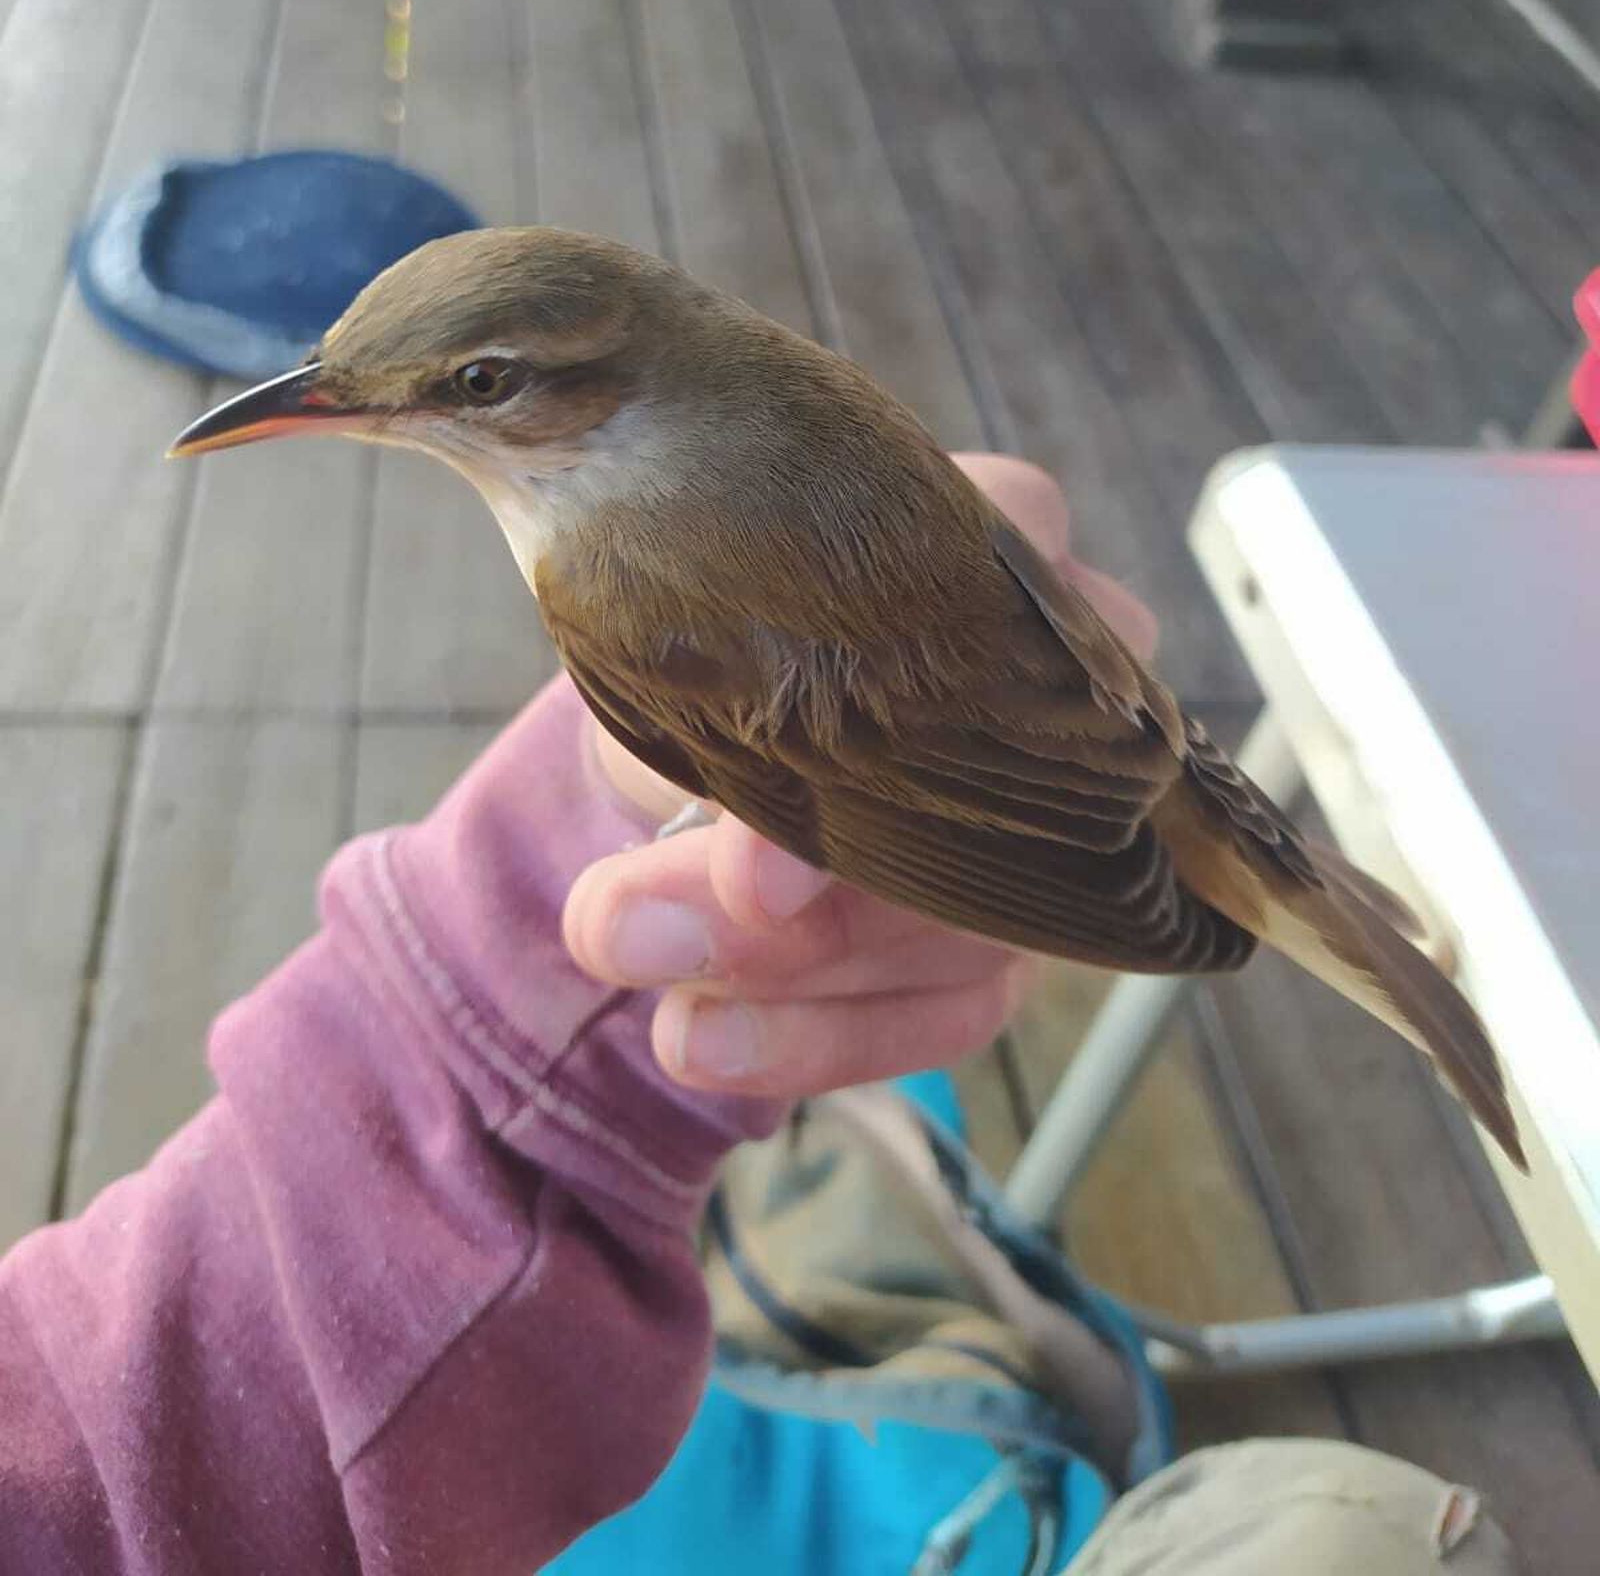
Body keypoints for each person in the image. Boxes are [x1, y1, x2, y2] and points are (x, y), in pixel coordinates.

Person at [0, 457, 1514, 1573]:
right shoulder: (618, 552)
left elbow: (109, 1460)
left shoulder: (623, 564)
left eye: (463, 389)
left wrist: (498, 1024)